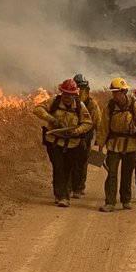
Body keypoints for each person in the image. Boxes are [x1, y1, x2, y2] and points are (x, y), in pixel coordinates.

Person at [34, 78, 93, 207]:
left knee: (67, 169)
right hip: (54, 142)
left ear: (74, 95)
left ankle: (59, 193)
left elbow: (88, 123)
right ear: (61, 92)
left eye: (69, 94)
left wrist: (76, 131)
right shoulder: (54, 102)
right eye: (65, 93)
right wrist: (52, 119)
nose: (66, 97)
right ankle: (64, 197)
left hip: (72, 144)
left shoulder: (80, 106)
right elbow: (37, 109)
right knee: (58, 167)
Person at [95, 78, 136, 213]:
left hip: (131, 146)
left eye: (116, 92)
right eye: (113, 92)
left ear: (124, 92)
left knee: (127, 174)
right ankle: (110, 202)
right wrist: (100, 145)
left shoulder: (134, 107)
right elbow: (104, 127)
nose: (114, 95)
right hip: (114, 145)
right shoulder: (109, 107)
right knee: (111, 173)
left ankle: (126, 200)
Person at [71, 73, 101, 199]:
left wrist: (99, 142)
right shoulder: (68, 101)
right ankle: (70, 186)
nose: (80, 90)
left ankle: (79, 186)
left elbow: (98, 122)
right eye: (78, 87)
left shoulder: (92, 104)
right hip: (71, 134)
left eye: (82, 87)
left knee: (83, 161)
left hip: (85, 136)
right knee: (70, 160)